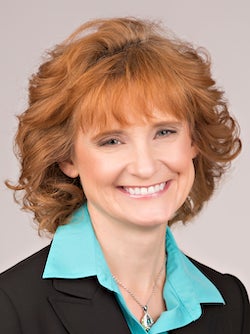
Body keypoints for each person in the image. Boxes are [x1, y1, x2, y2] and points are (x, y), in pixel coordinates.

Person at [0, 17, 249, 334]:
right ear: (66, 157)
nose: (145, 167)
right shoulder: (10, 309)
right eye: (112, 141)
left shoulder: (231, 303)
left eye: (164, 132)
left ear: (194, 141)